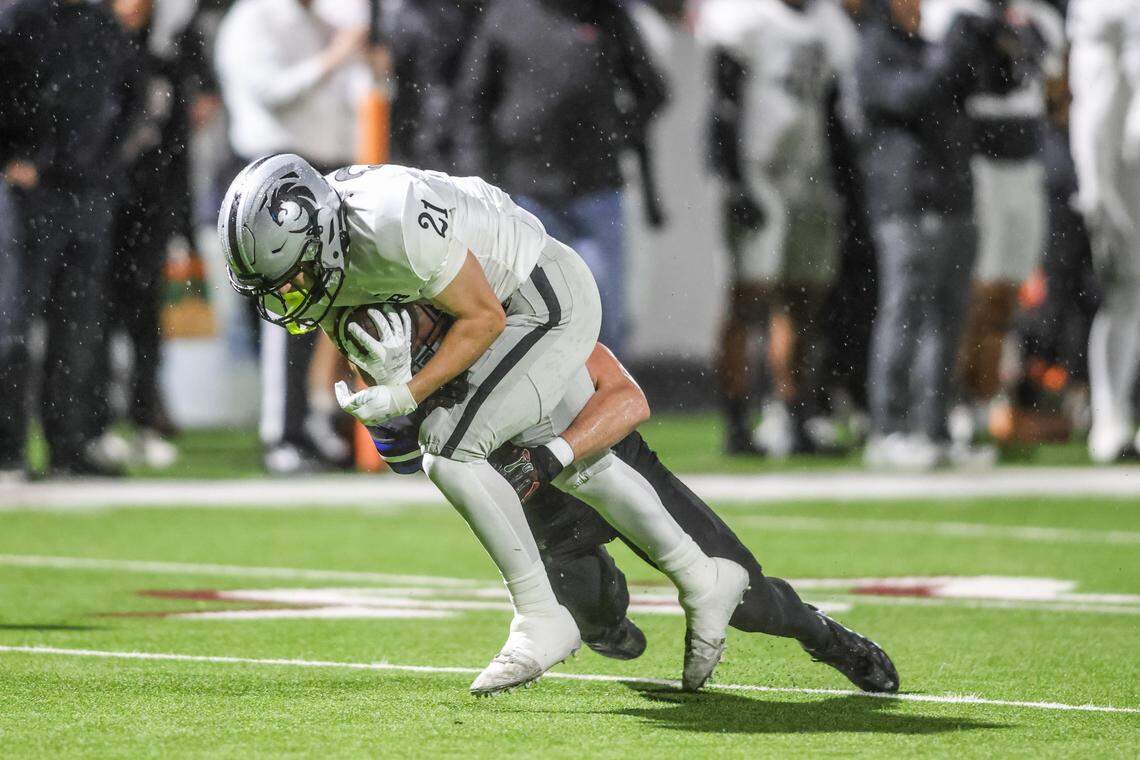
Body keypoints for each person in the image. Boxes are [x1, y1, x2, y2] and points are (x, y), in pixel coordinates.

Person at [219, 157, 750, 696]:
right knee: (581, 470)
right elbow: (400, 458)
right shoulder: (333, 263)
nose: (290, 296)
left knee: (451, 451)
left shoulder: (392, 220)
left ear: (323, 235)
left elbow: (485, 319)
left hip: (542, 298)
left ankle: (542, 616)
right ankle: (703, 578)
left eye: (294, 276)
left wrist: (408, 390)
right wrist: (391, 393)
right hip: (499, 311)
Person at [369, 307, 900, 694]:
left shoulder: (521, 321)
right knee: (591, 616)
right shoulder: (400, 353)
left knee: (749, 601)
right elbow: (408, 462)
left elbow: (628, 399)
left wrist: (557, 453)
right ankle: (609, 618)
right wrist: (397, 397)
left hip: (617, 467)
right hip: (546, 509)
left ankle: (823, 635)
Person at [452, 0, 668, 357]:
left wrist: (616, 132)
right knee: (532, 320)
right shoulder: (507, 14)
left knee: (603, 321)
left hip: (596, 192)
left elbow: (653, 91)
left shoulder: (608, 15)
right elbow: (473, 101)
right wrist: (478, 182)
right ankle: (541, 411)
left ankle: (605, 407)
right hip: (525, 199)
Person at [215, 0, 371, 474]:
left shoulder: (314, 19)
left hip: (317, 173)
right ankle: (281, 435)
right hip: (272, 177)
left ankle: (307, 424)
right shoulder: (254, 17)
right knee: (287, 306)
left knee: (323, 309)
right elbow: (269, 92)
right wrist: (335, 55)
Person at [697, 0, 859, 457]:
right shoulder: (745, 16)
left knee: (806, 300)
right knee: (748, 299)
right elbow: (722, 102)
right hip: (758, 169)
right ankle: (736, 422)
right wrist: (732, 180)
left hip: (809, 170)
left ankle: (795, 416)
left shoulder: (829, 22)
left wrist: (844, 182)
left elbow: (832, 109)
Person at [857, 0, 1010, 469]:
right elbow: (913, 97)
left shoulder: (932, 48)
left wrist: (988, 44)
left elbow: (994, 86)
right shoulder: (876, 47)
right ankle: (887, 430)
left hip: (953, 198)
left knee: (948, 320)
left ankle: (934, 430)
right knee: (905, 314)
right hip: (906, 200)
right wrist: (953, 50)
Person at [0, 0, 138, 478]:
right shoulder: (17, 17)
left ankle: (69, 446)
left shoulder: (101, 23)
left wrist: (105, 161)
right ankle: (8, 450)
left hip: (87, 193)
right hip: (26, 194)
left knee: (78, 329)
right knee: (13, 327)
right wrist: (13, 155)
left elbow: (133, 91)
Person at [921, 0, 1066, 447]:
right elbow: (948, 84)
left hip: (1026, 162)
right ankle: (961, 403)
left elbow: (1055, 90)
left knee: (1008, 293)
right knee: (978, 294)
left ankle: (988, 399)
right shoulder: (955, 16)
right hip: (982, 163)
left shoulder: (1038, 19)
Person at [1067, 0, 1140, 462]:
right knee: (1125, 293)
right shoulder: (1103, 32)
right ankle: (1110, 416)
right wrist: (1095, 187)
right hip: (1124, 163)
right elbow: (1098, 99)